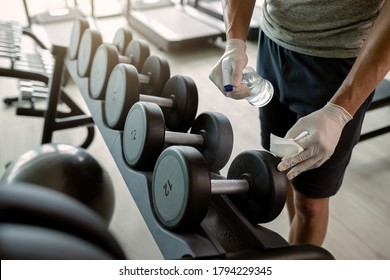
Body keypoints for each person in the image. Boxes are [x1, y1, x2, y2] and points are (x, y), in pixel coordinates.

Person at [209, 0, 390, 246]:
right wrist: (234, 42)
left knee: (310, 203)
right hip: (273, 44)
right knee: (285, 168)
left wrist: (340, 111)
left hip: (338, 67)